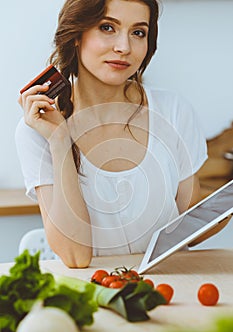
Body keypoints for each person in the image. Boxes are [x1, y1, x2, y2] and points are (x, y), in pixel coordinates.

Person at [15, 0, 229, 268]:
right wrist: (59, 141)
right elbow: (75, 256)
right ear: (76, 35)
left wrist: (225, 205)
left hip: (169, 286)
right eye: (107, 27)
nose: (124, 48)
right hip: (96, 291)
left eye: (138, 32)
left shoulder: (174, 110)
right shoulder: (37, 127)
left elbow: (186, 226)